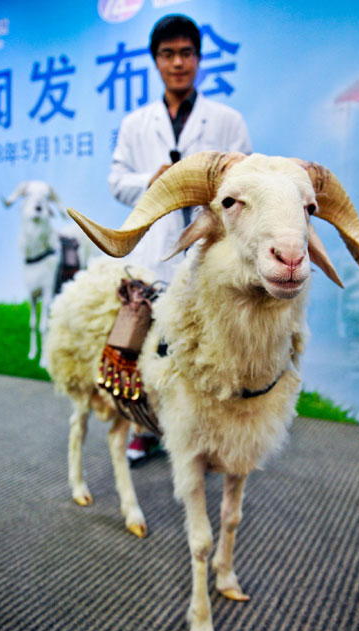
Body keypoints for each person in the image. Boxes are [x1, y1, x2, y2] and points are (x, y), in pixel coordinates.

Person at [108, 14, 252, 463]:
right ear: (155, 61)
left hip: (205, 253)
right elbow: (116, 180)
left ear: (198, 58)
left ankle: (207, 440)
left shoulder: (227, 120)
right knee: (145, 343)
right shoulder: (136, 123)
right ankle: (142, 429)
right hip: (154, 250)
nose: (177, 63)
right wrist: (151, 180)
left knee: (206, 345)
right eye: (168, 54)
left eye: (186, 53)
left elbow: (246, 180)